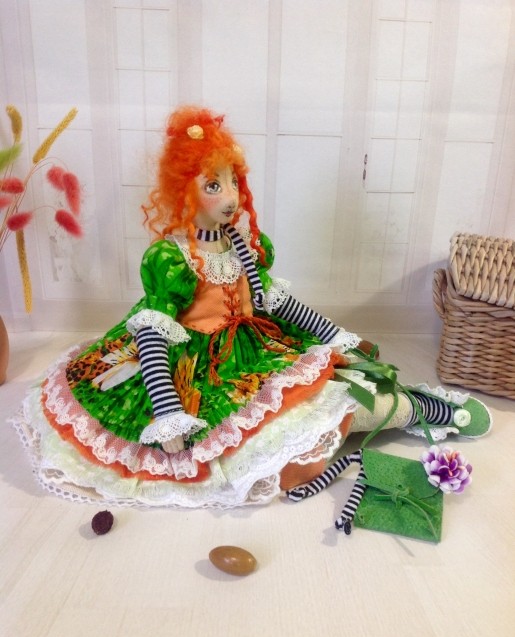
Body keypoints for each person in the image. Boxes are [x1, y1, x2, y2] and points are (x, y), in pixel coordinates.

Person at [11, 106, 491, 510]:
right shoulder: (170, 259)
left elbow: (275, 301)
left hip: (252, 344)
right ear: (183, 191)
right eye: (213, 185)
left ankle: (419, 406)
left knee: (326, 385)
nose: (231, 197)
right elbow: (154, 332)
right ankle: (410, 411)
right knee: (267, 433)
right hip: (196, 366)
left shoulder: (244, 245)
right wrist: (168, 410)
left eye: (233, 183)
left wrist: (334, 334)